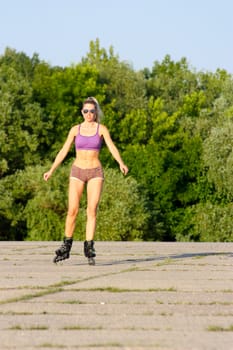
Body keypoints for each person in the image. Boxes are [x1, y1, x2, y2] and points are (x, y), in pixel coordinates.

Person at [43, 97, 128, 265]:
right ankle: (66, 246)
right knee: (72, 210)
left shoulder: (101, 129)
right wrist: (51, 170)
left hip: (95, 171)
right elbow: (64, 150)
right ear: (82, 112)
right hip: (77, 171)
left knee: (91, 210)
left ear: (96, 112)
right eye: (85, 111)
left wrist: (121, 162)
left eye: (91, 111)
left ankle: (89, 247)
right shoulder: (75, 129)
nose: (88, 114)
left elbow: (111, 147)